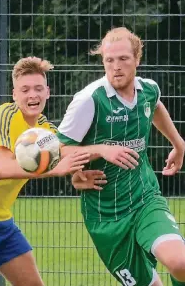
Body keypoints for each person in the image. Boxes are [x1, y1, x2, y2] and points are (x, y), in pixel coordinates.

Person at [0, 56, 99, 286]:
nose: (32, 95)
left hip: (1, 225)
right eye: (25, 89)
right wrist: (55, 171)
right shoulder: (2, 116)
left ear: (47, 92)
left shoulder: (46, 131)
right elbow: (2, 168)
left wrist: (82, 170)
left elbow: (68, 154)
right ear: (15, 95)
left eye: (38, 88)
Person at [59, 27, 185, 286]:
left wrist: (178, 143)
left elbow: (156, 106)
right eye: (109, 60)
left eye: (123, 59)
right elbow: (60, 151)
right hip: (105, 216)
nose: (116, 66)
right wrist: (101, 149)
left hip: (144, 198)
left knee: (180, 263)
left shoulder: (148, 90)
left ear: (137, 59)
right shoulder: (89, 100)